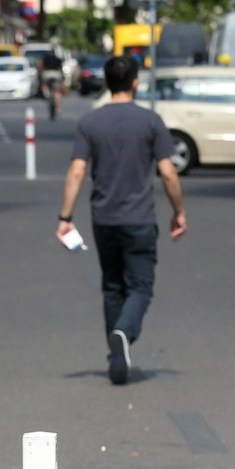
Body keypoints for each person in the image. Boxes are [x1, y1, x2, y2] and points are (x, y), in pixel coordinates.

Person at [55, 54, 186, 385]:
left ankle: (117, 355)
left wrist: (65, 217)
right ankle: (123, 333)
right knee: (140, 286)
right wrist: (178, 212)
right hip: (140, 219)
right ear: (135, 82)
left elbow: (77, 170)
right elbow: (168, 173)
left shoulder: (90, 123)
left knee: (112, 286)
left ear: (107, 82)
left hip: (104, 220)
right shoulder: (150, 121)